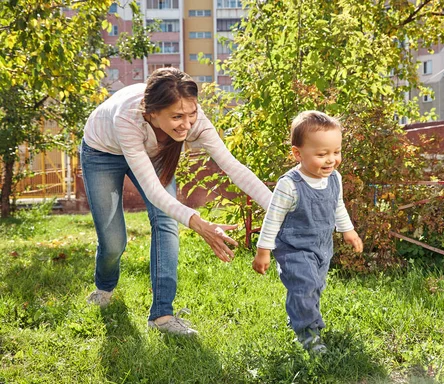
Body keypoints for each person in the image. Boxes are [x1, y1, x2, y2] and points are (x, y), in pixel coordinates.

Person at [81, 67, 272, 335]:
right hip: (102, 152)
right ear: (152, 113)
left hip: (152, 150)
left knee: (167, 222)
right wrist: (199, 223)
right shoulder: (129, 118)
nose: (186, 123)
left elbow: (233, 167)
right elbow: (154, 192)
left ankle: (162, 315)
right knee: (113, 241)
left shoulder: (194, 122)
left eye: (191, 114)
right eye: (177, 117)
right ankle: (104, 287)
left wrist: (279, 209)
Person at [252, 110, 363, 353]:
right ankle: (308, 333)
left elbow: (337, 205)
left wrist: (348, 230)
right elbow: (272, 219)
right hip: (294, 249)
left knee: (313, 288)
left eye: (336, 152)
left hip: (322, 247)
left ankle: (299, 315)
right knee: (304, 286)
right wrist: (263, 251)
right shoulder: (290, 185)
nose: (331, 160)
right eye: (322, 154)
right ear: (297, 153)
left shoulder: (335, 178)